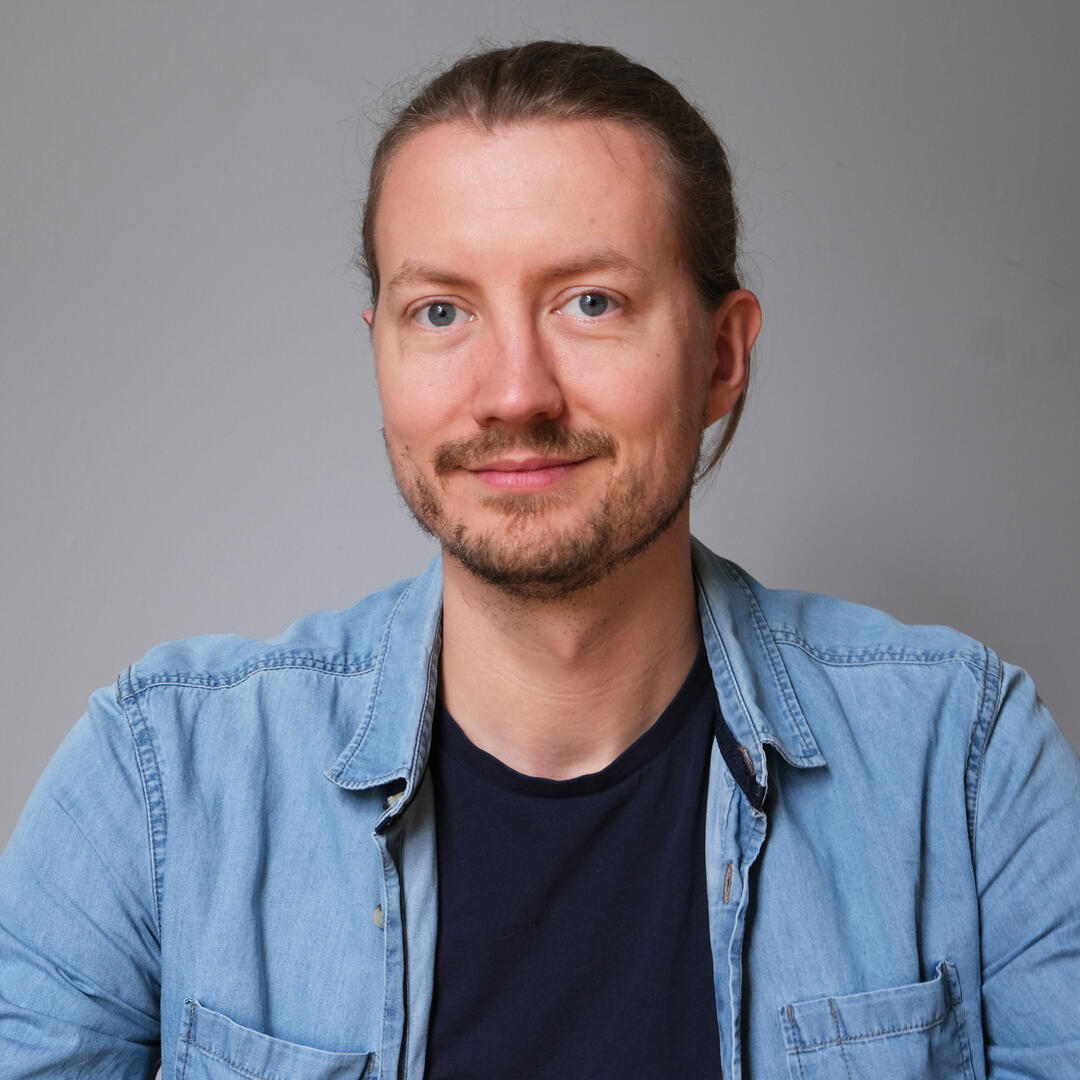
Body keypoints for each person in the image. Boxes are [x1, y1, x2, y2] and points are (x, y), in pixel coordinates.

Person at [1, 40, 1078, 1080]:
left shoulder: (967, 764)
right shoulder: (162, 780)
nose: (515, 392)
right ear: (378, 350)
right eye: (440, 311)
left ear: (722, 355)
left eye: (591, 302)